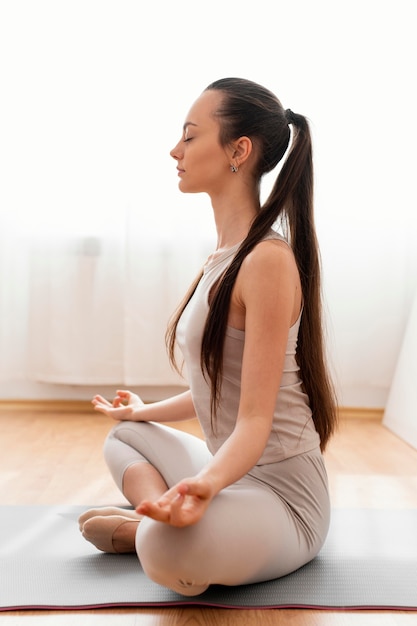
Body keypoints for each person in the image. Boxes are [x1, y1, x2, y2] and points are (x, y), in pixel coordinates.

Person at [78, 77, 337, 596]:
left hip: (283, 497)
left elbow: (255, 420)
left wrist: (206, 483)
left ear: (238, 150)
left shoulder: (266, 260)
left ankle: (152, 528)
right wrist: (139, 413)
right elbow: (216, 393)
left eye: (191, 136)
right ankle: (165, 512)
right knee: (125, 438)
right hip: (231, 472)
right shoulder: (223, 257)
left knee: (171, 557)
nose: (175, 150)